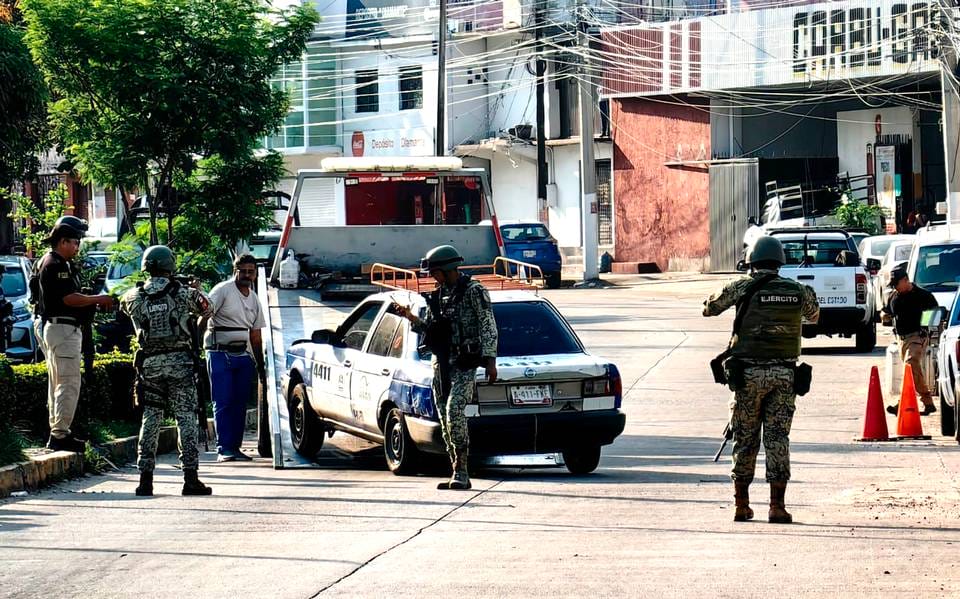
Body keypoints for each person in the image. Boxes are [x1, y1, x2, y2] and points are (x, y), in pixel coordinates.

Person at [703, 236, 819, 524]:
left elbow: (710, 308)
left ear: (751, 261)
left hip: (747, 377)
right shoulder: (797, 290)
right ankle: (777, 507)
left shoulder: (743, 285)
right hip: (784, 375)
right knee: (778, 438)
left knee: (745, 437)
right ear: (779, 261)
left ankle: (741, 505)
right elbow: (814, 316)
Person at [396, 245, 498, 490]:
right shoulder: (438, 296)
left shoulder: (474, 292)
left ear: (447, 269)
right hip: (441, 363)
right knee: (444, 417)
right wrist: (410, 318)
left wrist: (490, 360)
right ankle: (455, 469)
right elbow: (430, 329)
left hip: (465, 363)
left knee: (454, 411)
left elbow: (488, 325)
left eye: (435, 272)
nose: (433, 276)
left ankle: (462, 471)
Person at [120, 245, 213, 496]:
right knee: (185, 418)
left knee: (151, 417)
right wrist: (196, 289)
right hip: (180, 364)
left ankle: (145, 478)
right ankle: (190, 478)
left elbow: (124, 309)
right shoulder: (185, 293)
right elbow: (208, 308)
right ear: (170, 265)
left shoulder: (132, 296)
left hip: (149, 364)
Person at [32, 215, 115, 453]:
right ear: (62, 241)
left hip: (57, 327)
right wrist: (99, 299)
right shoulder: (55, 264)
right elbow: (68, 299)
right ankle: (60, 434)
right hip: (62, 328)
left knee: (58, 382)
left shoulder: (49, 261)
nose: (77, 246)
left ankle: (57, 432)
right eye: (74, 241)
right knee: (67, 383)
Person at [201, 254, 265, 462]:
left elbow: (255, 335)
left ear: (255, 274)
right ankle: (224, 448)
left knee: (239, 404)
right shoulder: (222, 290)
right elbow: (204, 315)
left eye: (251, 271)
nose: (247, 275)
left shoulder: (254, 298)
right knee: (223, 401)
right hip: (219, 352)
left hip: (243, 355)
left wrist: (260, 365)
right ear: (235, 271)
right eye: (243, 271)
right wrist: (195, 346)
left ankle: (235, 447)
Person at [883, 266, 939, 416]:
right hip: (901, 339)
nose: (895, 287)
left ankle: (902, 403)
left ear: (906, 280)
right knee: (913, 370)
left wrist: (926, 328)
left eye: (897, 283)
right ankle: (928, 402)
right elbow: (886, 312)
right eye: (893, 284)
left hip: (917, 336)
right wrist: (885, 316)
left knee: (911, 363)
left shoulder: (923, 296)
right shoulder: (893, 297)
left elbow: (935, 315)